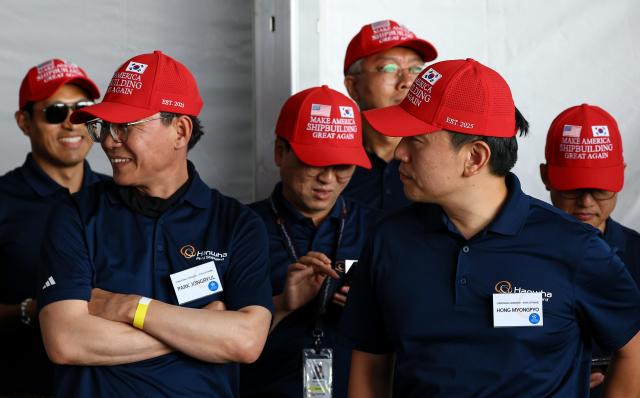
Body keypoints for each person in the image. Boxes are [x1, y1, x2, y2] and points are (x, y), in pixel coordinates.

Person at [341, 58, 640, 397]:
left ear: (475, 158)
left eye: (417, 140)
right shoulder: (387, 240)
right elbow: (370, 363)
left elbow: (634, 351)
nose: (399, 153)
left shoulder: (575, 247)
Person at [37, 51, 273, 398]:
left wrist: (132, 307)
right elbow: (66, 341)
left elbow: (246, 341)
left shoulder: (238, 224)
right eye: (104, 126)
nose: (107, 140)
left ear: (180, 130)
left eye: (125, 127)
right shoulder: (75, 215)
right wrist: (198, 330)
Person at [240, 85, 378, 398]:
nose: (328, 179)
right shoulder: (238, 228)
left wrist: (373, 309)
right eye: (315, 161)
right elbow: (210, 337)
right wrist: (280, 306)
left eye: (342, 166)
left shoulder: (380, 230)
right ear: (279, 152)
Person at [0, 58, 106, 396]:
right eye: (55, 112)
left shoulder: (122, 196)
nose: (72, 125)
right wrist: (30, 311)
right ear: (24, 122)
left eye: (83, 110)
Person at [540, 103, 640, 397]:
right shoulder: (515, 256)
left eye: (599, 189)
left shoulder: (637, 254)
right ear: (546, 177)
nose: (586, 202)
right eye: (572, 188)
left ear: (620, 177)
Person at [342, 19, 437, 212]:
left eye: (416, 69)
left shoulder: (440, 156)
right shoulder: (333, 158)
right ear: (353, 87)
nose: (407, 82)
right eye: (389, 69)